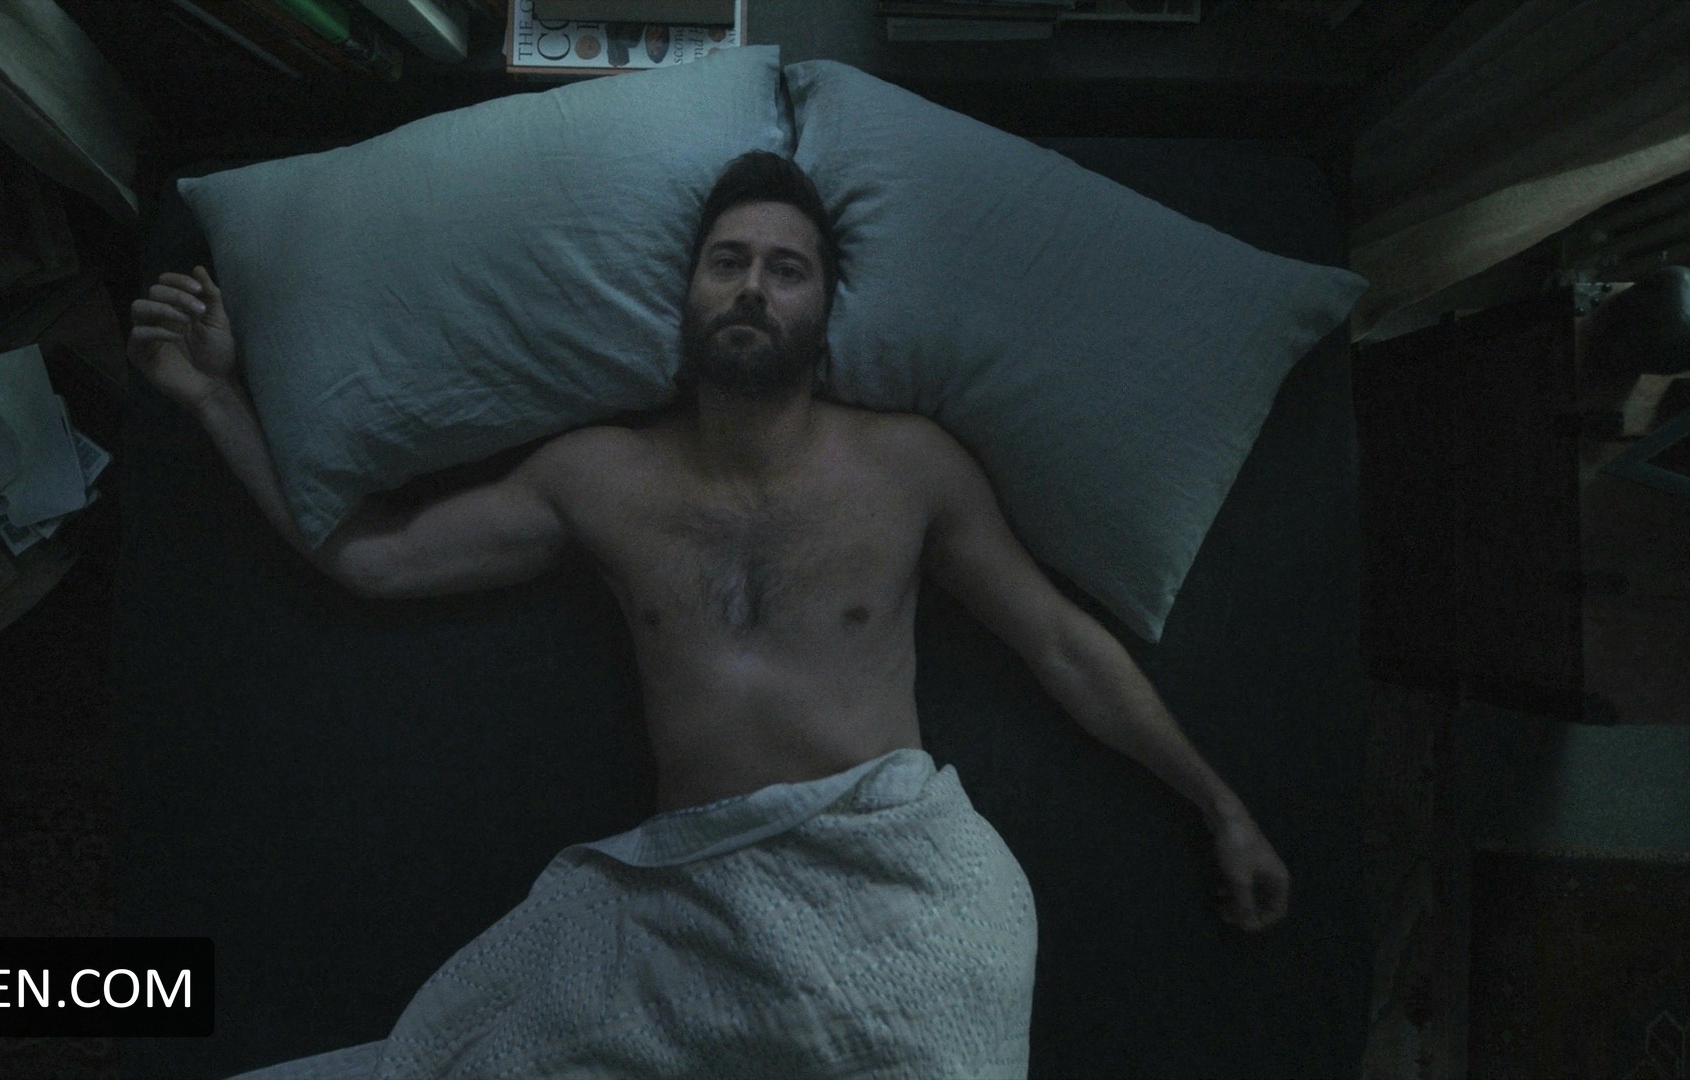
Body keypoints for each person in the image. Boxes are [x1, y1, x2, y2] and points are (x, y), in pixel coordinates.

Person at [128, 150, 1290, 1076]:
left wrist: (1218, 803)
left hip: (896, 885)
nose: (751, 287)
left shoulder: (910, 467)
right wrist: (216, 396)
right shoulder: (597, 476)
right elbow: (376, 561)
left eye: (787, 269)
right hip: (690, 908)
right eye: (727, 261)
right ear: (684, 293)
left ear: (825, 309)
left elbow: (1060, 643)